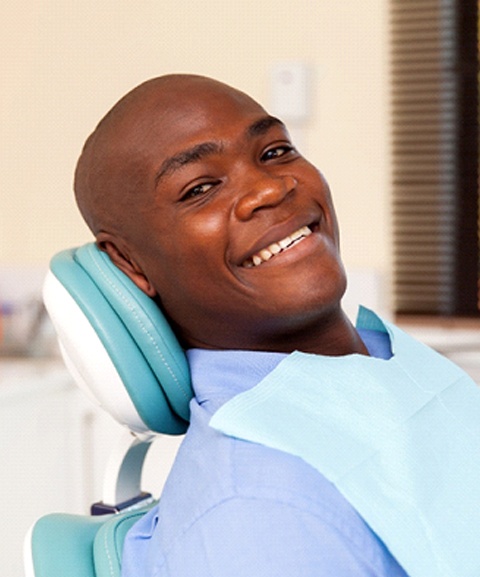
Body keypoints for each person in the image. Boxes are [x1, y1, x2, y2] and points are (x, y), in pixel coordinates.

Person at [73, 74, 437, 576]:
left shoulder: (389, 362)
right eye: (200, 188)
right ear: (132, 263)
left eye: (274, 152)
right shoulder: (261, 512)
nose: (269, 188)